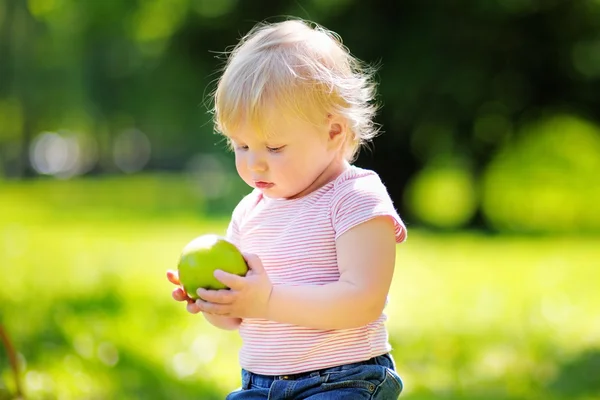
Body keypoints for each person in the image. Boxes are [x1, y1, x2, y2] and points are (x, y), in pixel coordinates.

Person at [167, 18, 407, 399]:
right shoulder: (249, 212)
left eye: (274, 148)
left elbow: (363, 300)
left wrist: (268, 301)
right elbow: (237, 317)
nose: (254, 164)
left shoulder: (354, 197)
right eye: (241, 146)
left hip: (343, 381)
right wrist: (215, 301)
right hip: (258, 385)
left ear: (334, 132)